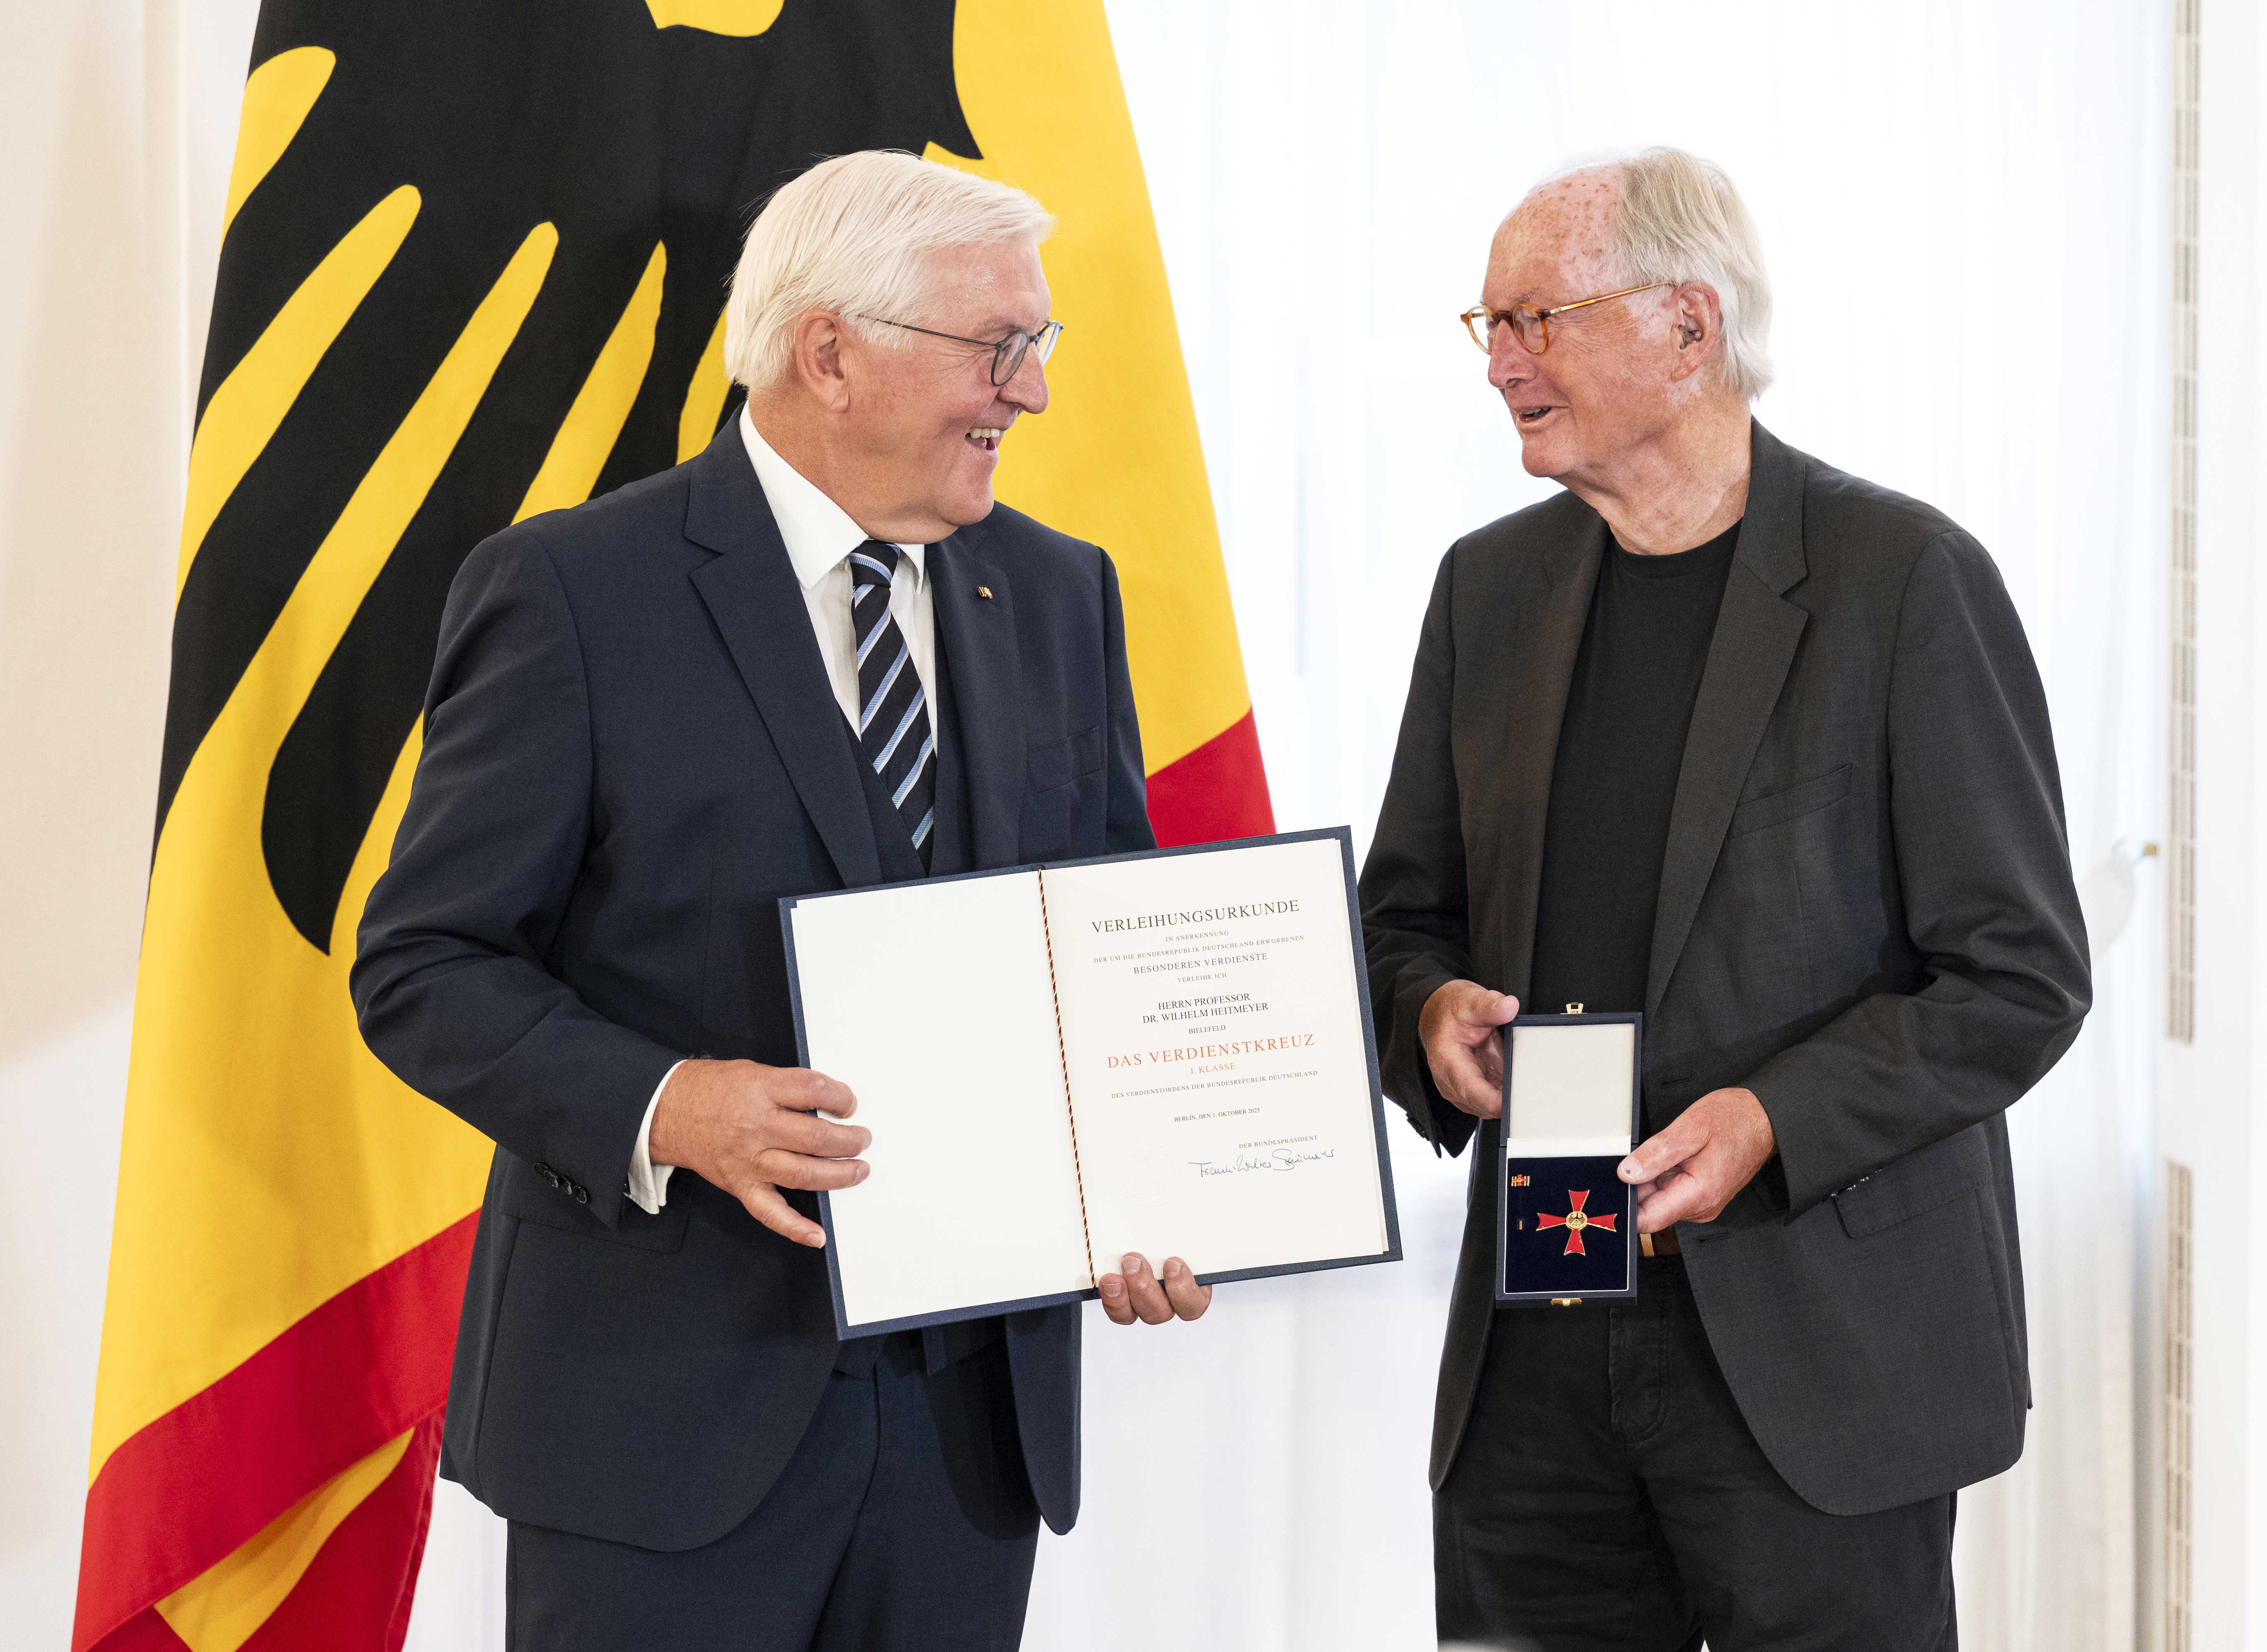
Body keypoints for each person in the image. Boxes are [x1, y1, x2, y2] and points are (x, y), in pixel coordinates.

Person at [352, 150, 1210, 1652]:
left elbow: (1109, 951)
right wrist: (668, 1103)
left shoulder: (1060, 592)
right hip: (658, 1428)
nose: (1031, 393)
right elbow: (424, 963)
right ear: (831, 352)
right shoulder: (572, 591)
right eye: (1000, 347)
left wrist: (1145, 1187)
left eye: (1039, 345)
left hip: (969, 1436)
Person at [1359, 148, 2091, 1650]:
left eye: (1537, 319)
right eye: (1489, 326)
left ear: (1689, 327)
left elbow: (2020, 974)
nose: (1500, 363)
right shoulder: (1484, 590)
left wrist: (1772, 1118)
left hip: (1821, 1358)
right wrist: (1428, 1014)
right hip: (1538, 1359)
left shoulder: (1905, 579)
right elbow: (1401, 918)